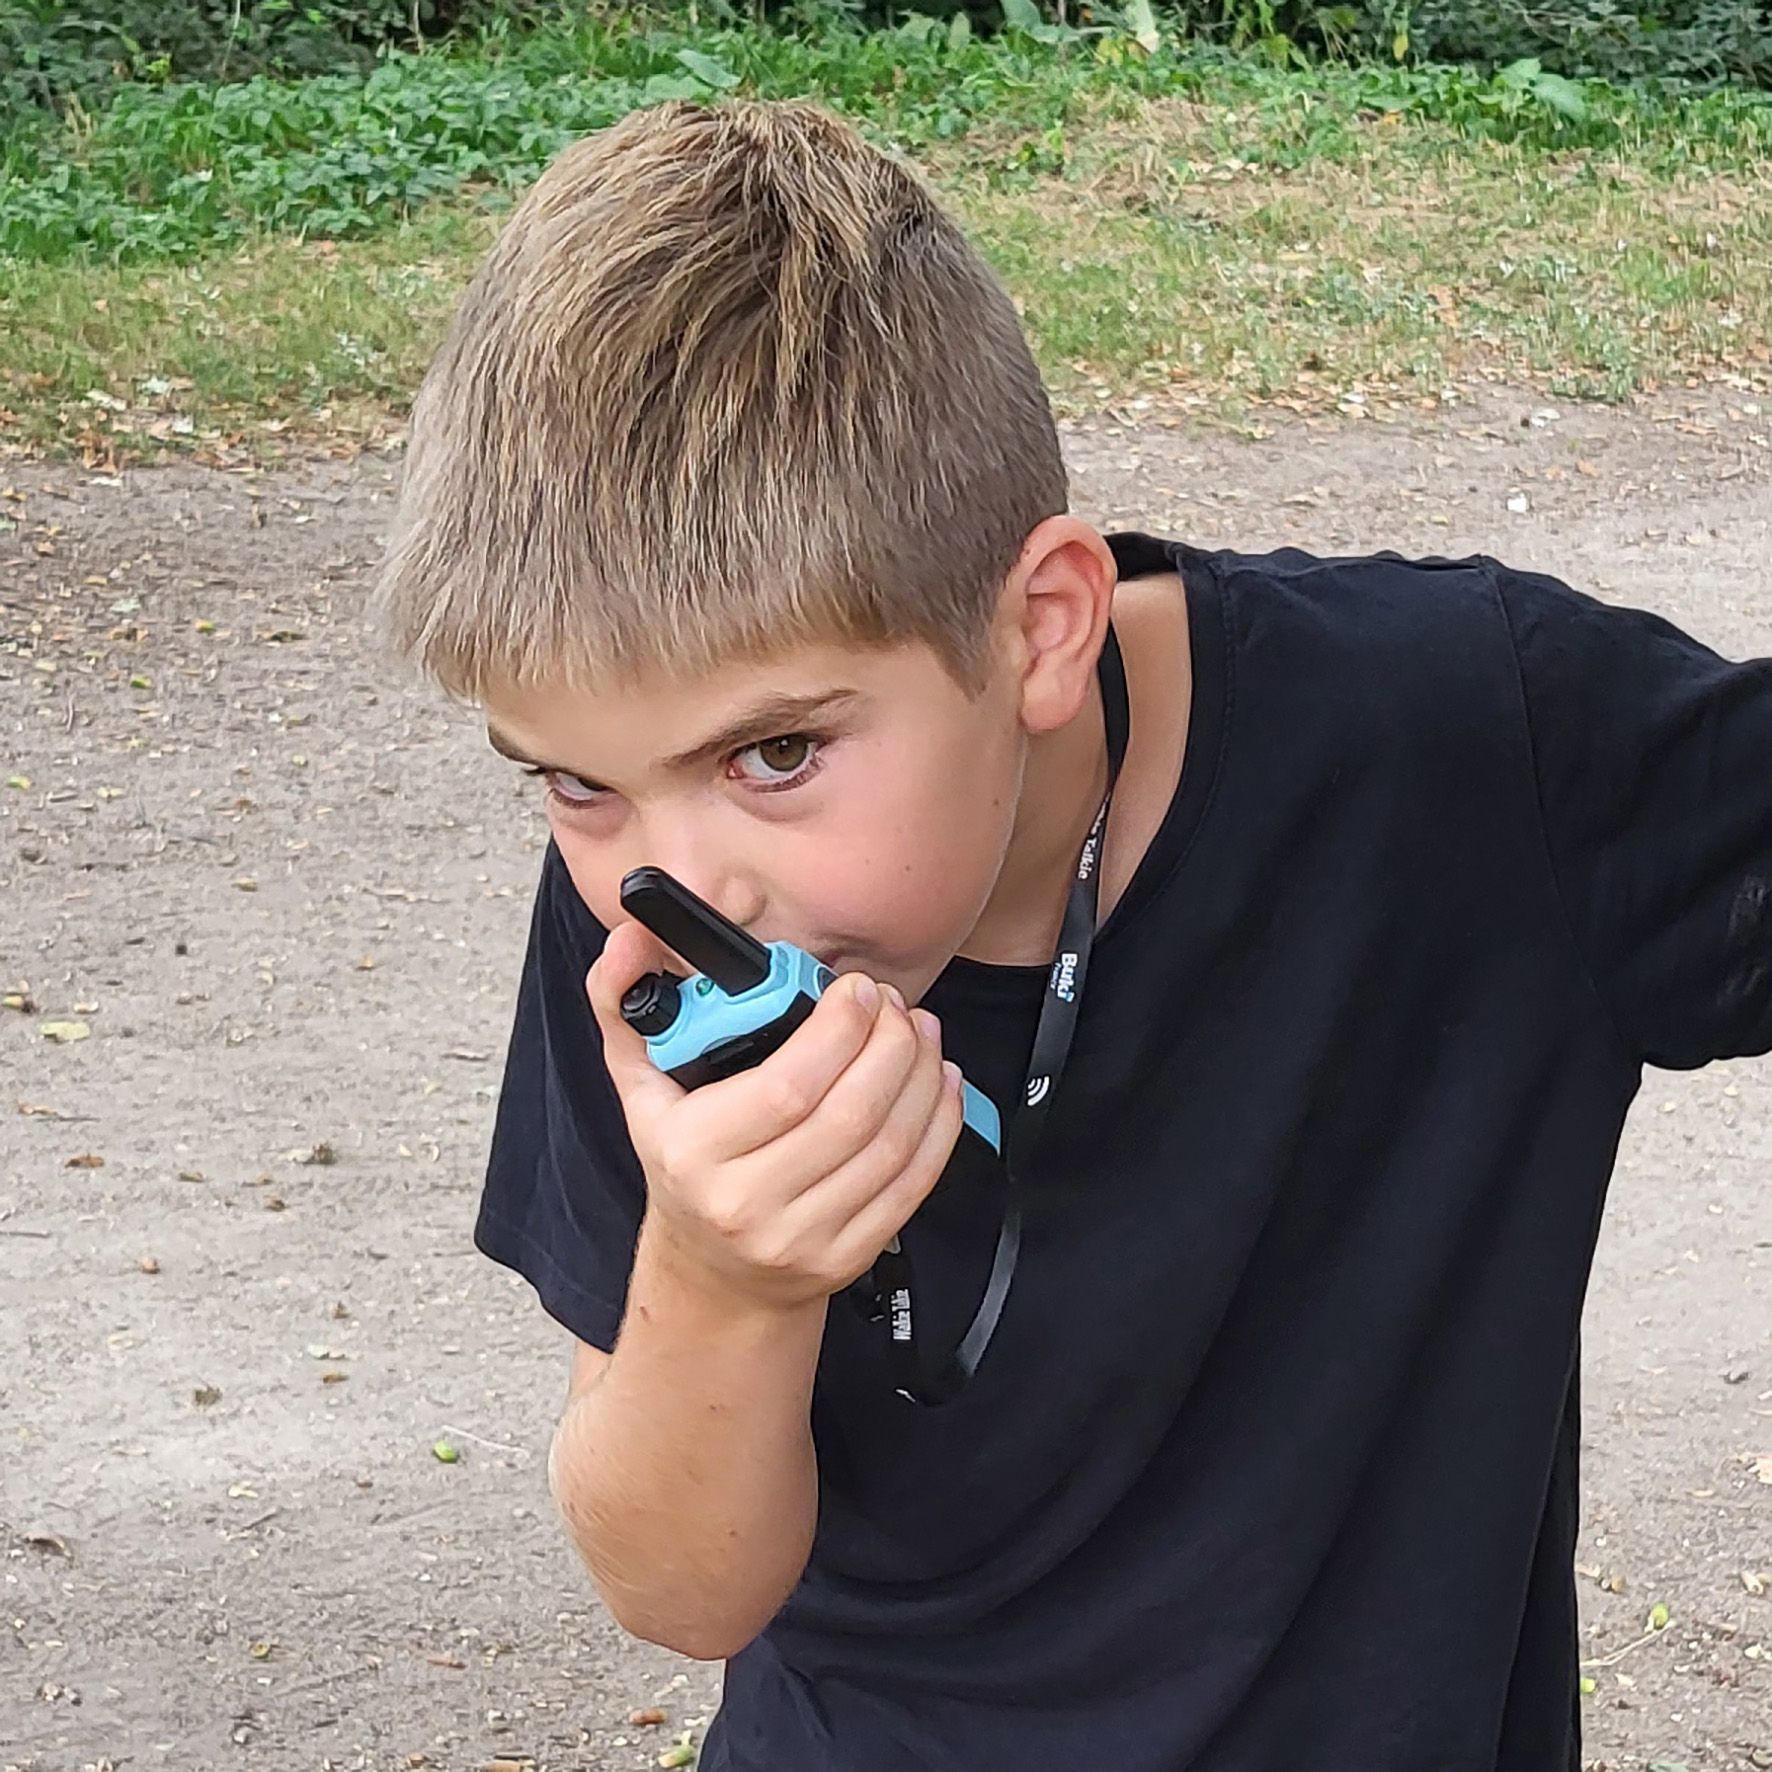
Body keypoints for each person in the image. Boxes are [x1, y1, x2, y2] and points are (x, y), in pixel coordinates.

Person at [372, 97, 1772, 1772]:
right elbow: (681, 1590)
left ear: (1043, 626)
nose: (680, 887)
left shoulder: (1471, 747)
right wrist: (724, 1276)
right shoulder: (654, 931)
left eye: (778, 754)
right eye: (572, 782)